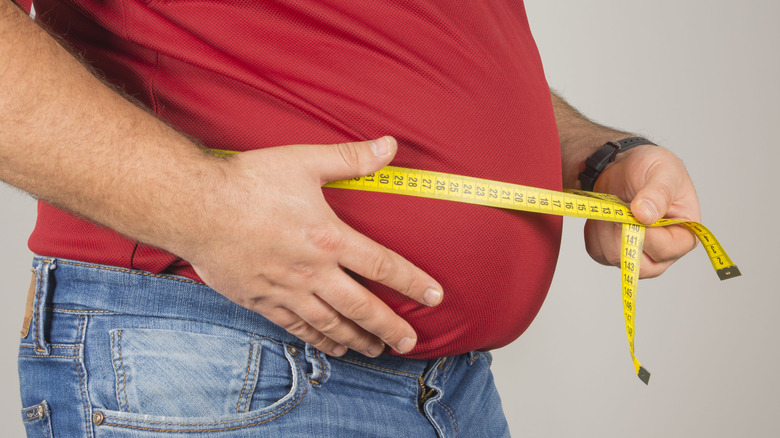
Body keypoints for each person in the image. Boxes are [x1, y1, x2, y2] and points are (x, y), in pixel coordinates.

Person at [2, 0, 699, 436]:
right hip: (219, 349)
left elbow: (416, 51)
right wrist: (204, 205)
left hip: (454, 388)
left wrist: (594, 153)